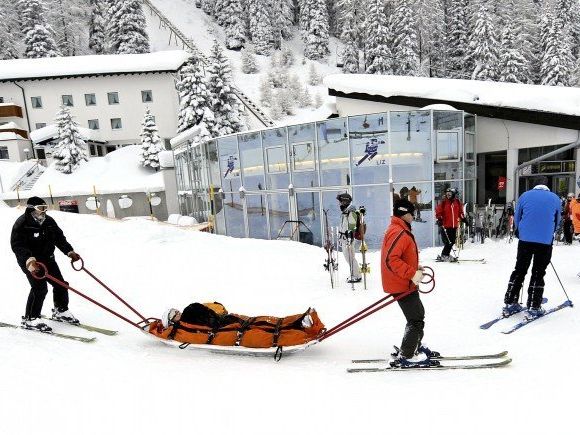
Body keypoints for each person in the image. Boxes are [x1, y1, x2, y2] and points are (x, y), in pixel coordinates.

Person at [381, 199, 438, 367]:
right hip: (401, 283)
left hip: (403, 281)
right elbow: (391, 260)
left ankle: (414, 346)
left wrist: (415, 268)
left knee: (418, 313)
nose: (414, 216)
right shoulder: (399, 232)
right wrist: (412, 273)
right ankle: (407, 354)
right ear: (404, 213)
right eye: (412, 213)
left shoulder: (398, 229)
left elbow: (399, 256)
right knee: (416, 318)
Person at [10, 196, 81, 332]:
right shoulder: (22, 223)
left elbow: (59, 238)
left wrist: (69, 251)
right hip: (31, 262)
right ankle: (31, 319)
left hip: (48, 258)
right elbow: (18, 245)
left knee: (61, 284)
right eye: (40, 209)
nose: (43, 211)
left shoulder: (48, 221)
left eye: (45, 208)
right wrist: (30, 261)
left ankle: (60, 310)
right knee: (40, 289)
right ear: (32, 209)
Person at [503, 176, 561, 318]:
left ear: (534, 185)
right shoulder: (555, 198)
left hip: (525, 239)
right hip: (544, 241)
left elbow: (517, 216)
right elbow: (558, 220)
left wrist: (519, 230)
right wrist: (550, 234)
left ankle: (510, 302)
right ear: (546, 185)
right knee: (538, 272)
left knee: (520, 269)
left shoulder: (525, 195)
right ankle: (534, 305)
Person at [336, 192, 362, 284]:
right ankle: (355, 274)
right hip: (344, 238)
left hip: (348, 238)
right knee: (349, 257)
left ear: (345, 202)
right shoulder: (345, 212)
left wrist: (349, 237)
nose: (339, 204)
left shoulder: (351, 212)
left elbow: (352, 226)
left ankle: (356, 276)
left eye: (340, 202)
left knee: (350, 257)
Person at [435, 187, 465, 261]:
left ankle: (446, 254)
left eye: (450, 194)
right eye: (447, 194)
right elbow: (438, 211)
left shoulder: (457, 202)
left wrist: (464, 219)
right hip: (445, 225)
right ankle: (444, 255)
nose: (448, 195)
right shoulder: (444, 203)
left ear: (453, 194)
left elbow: (460, 212)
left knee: (452, 241)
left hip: (454, 225)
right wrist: (439, 219)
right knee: (448, 242)